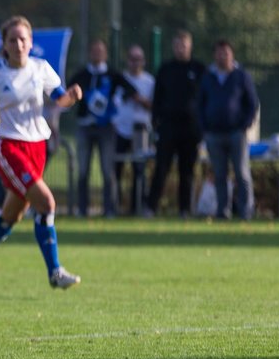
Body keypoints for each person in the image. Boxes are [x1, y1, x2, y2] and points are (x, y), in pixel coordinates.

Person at [0, 15, 83, 290]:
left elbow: (59, 100)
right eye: (12, 40)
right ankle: (55, 271)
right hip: (8, 146)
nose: (18, 44)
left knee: (14, 213)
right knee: (46, 202)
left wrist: (72, 97)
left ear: (31, 43)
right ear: (5, 45)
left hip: (37, 145)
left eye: (23, 39)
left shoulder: (41, 68)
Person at [66, 39, 137, 217]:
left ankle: (109, 210)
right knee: (82, 171)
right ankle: (82, 210)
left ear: (105, 54)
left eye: (101, 51)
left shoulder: (113, 75)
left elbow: (130, 90)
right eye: (94, 51)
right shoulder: (82, 75)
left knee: (108, 171)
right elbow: (67, 94)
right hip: (85, 127)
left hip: (106, 129)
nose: (97, 54)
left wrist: (117, 101)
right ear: (90, 53)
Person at [144, 30, 205, 218]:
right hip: (169, 127)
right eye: (178, 45)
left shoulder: (199, 69)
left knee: (186, 171)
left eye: (184, 45)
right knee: (161, 168)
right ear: (173, 46)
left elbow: (204, 99)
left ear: (190, 46)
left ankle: (184, 210)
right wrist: (156, 123)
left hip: (190, 129)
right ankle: (150, 208)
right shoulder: (166, 69)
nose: (181, 49)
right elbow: (157, 98)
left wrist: (202, 126)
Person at [199, 39, 258, 220]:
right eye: (219, 52)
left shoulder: (241, 76)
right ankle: (222, 211)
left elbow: (252, 103)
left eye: (225, 52)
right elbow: (200, 104)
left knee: (241, 173)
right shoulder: (208, 77)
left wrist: (244, 125)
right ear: (214, 55)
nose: (222, 56)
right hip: (214, 134)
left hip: (236, 133)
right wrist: (205, 128)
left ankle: (245, 211)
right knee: (219, 175)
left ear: (232, 55)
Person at [113, 44, 154, 215]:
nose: (135, 63)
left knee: (139, 171)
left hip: (141, 130)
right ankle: (115, 207)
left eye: (138, 59)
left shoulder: (149, 82)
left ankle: (137, 207)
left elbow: (154, 106)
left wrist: (140, 100)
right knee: (116, 170)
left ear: (143, 61)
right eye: (132, 59)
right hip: (121, 129)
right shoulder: (120, 80)